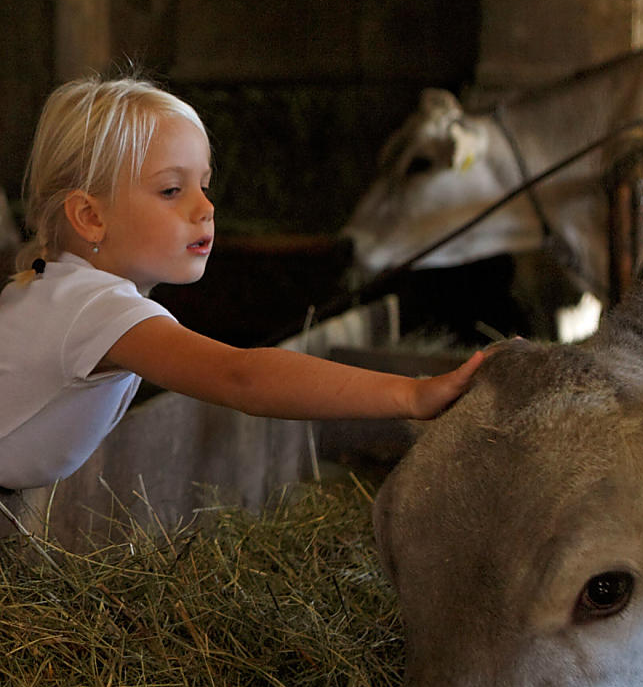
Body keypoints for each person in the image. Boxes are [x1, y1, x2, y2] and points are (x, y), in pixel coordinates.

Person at [0, 75, 484, 492]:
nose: (205, 208)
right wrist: (412, 395)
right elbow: (242, 377)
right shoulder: (96, 307)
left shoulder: (63, 290)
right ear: (90, 216)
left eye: (203, 186)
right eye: (171, 190)